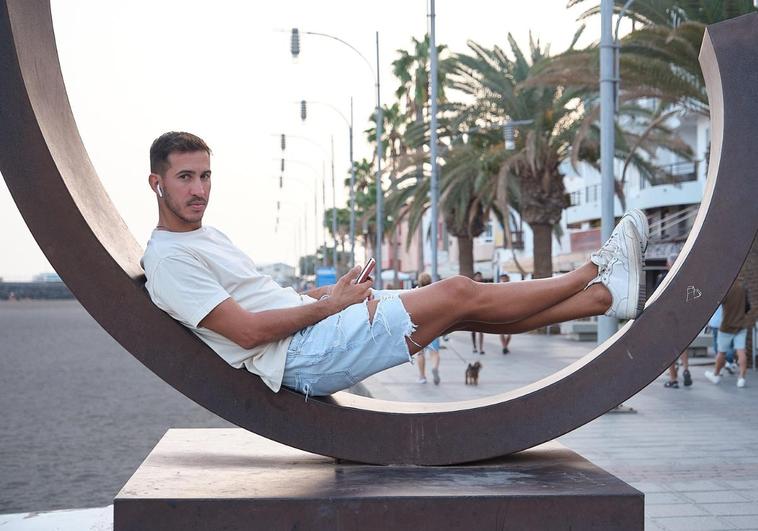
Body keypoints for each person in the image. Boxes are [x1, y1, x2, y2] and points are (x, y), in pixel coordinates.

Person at [141, 132, 648, 397]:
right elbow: (248, 333)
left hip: (314, 330)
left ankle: (604, 298)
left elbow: (260, 302)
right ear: (156, 183)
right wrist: (328, 308)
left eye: (205, 175)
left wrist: (322, 297)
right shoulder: (169, 258)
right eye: (185, 177)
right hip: (301, 358)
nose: (200, 189)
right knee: (458, 291)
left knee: (463, 310)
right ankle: (594, 271)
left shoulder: (208, 236)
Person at [705, 281, 753, 388]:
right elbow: (748, 307)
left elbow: (716, 303)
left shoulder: (725, 289)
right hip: (741, 324)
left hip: (727, 326)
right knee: (741, 351)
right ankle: (741, 378)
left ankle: (716, 375)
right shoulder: (742, 288)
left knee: (721, 352)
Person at [657, 253, 692, 388]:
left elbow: (657, 298)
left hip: (668, 317)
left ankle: (673, 379)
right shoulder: (685, 278)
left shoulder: (663, 278)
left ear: (668, 264)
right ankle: (686, 368)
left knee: (669, 348)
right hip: (682, 316)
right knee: (682, 345)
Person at [414, 272, 441, 385]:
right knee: (434, 352)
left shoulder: (415, 293)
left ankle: (422, 376)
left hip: (419, 327)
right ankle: (434, 367)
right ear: (430, 281)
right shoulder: (435, 293)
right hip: (433, 326)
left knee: (420, 353)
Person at [470, 272, 485, 354]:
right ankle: (474, 346)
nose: (479, 277)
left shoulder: (484, 286)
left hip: (482, 310)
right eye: (477, 276)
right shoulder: (472, 287)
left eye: (480, 276)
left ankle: (481, 348)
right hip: (473, 310)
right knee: (473, 331)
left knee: (481, 331)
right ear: (474, 277)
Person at [498, 273, 512, 354]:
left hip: (510, 311)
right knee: (501, 331)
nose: (503, 280)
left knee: (510, 333)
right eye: (502, 279)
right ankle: (504, 346)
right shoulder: (499, 288)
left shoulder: (511, 287)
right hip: (501, 311)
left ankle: (505, 346)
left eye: (504, 278)